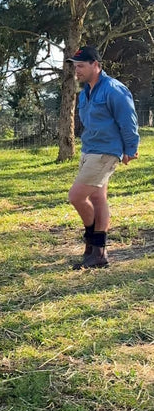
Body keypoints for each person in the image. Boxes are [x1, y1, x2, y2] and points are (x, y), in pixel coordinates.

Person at [67, 45, 139, 268]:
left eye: (81, 66)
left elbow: (128, 121)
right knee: (98, 198)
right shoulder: (87, 91)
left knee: (76, 197)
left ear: (96, 65)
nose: (76, 71)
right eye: (75, 66)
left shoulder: (114, 89)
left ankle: (92, 241)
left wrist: (130, 148)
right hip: (89, 150)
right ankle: (98, 253)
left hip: (105, 152)